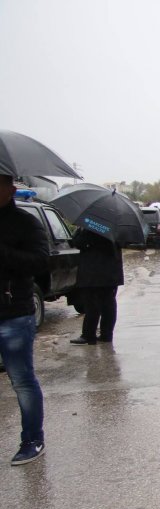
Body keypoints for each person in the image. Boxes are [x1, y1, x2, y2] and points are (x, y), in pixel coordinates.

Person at [0, 174, 49, 465]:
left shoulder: (26, 223)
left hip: (14, 314)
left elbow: (41, 261)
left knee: (21, 380)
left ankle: (32, 440)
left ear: (10, 189)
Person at [69, 229, 124, 345]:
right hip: (111, 272)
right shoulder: (115, 227)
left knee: (91, 304)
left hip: (93, 272)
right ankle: (106, 335)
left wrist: (79, 231)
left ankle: (89, 335)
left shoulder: (92, 226)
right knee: (108, 303)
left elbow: (78, 242)